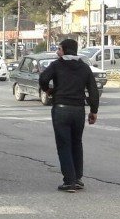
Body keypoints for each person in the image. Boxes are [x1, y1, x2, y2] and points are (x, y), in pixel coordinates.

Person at [39, 38, 99, 193]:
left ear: (64, 50)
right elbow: (93, 90)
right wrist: (94, 111)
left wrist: (48, 90)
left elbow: (43, 79)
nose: (57, 52)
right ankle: (78, 179)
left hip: (61, 109)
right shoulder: (84, 68)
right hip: (79, 110)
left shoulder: (57, 65)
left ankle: (69, 182)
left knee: (64, 145)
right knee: (76, 143)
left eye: (59, 49)